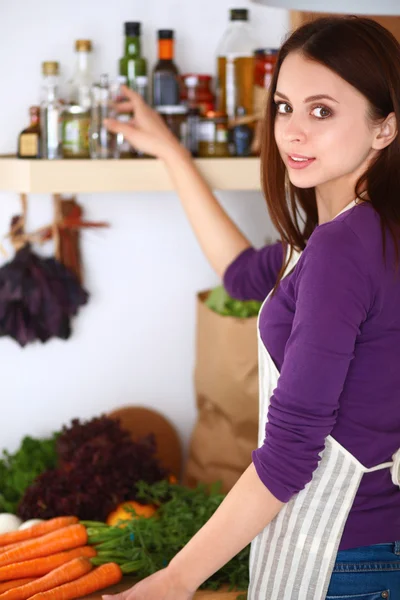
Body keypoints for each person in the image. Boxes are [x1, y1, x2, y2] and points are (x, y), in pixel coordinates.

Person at [102, 15, 400, 600]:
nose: (293, 132)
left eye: (322, 111)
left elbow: (291, 453)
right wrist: (169, 149)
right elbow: (242, 275)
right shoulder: (355, 236)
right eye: (284, 107)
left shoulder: (344, 247)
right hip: (369, 552)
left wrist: (174, 580)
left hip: (339, 557)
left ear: (384, 128)